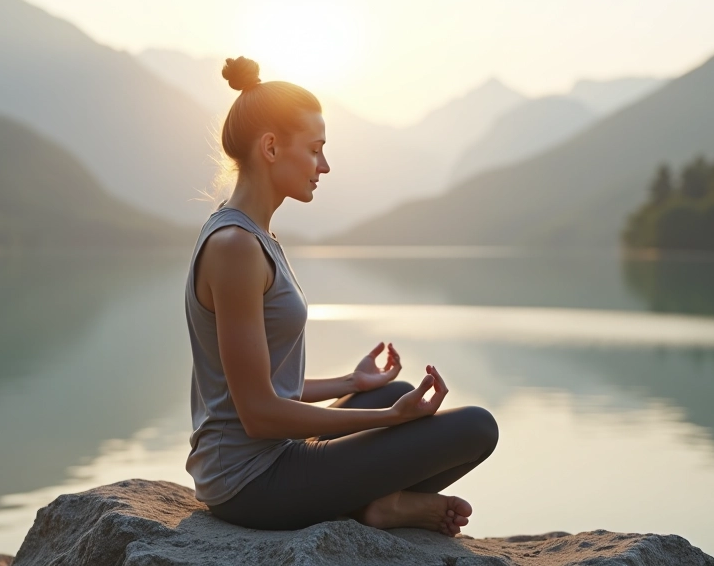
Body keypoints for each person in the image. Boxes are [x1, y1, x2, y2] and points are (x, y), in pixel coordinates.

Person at [184, 56, 498, 536]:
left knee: (393, 391)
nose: (324, 166)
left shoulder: (252, 238)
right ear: (270, 147)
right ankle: (379, 507)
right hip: (250, 484)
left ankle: (379, 504)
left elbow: (266, 389)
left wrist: (352, 382)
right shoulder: (235, 248)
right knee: (476, 427)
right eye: (315, 150)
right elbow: (259, 413)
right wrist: (391, 419)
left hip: (268, 462)